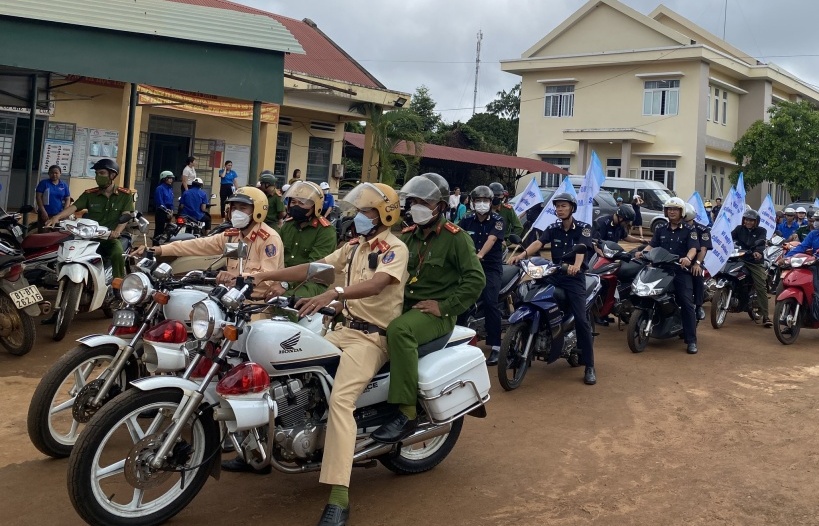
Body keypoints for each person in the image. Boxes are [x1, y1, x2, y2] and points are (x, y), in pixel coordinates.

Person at [253, 183, 406, 526]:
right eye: (360, 212)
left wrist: (333, 293)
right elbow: (312, 269)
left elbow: (377, 284)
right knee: (288, 369)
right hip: (339, 331)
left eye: (367, 212)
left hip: (371, 339)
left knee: (341, 401)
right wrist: (263, 276)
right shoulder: (353, 247)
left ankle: (339, 496)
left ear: (385, 214)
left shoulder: (394, 249)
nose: (360, 218)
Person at [371, 173, 484, 444]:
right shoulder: (407, 238)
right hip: (405, 306)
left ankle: (407, 413)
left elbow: (476, 279)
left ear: (441, 206)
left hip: (435, 314)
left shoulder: (456, 239)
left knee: (399, 331)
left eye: (425, 202)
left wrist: (444, 306)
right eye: (414, 201)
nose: (416, 207)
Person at [509, 192, 597, 384]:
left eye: (563, 206)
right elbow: (539, 242)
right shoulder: (553, 227)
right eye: (557, 206)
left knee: (582, 320)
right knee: (527, 294)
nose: (560, 209)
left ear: (572, 208)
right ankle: (526, 342)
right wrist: (522, 254)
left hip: (574, 278)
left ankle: (590, 366)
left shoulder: (583, 228)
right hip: (555, 274)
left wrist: (575, 265)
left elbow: (582, 247)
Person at [134, 186, 283, 292]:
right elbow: (197, 244)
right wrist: (158, 249)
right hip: (230, 298)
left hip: (257, 304)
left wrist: (236, 276)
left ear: (257, 210)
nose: (237, 212)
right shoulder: (232, 237)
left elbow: (267, 277)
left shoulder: (268, 239)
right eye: (234, 208)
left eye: (243, 208)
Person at [45, 158, 133, 279]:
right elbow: (73, 207)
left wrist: (117, 231)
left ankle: (118, 284)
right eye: (96, 174)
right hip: (88, 237)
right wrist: (57, 217)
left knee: (117, 253)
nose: (98, 176)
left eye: (102, 173)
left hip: (109, 237)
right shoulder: (89, 194)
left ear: (112, 175)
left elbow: (126, 214)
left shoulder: (125, 195)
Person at [635, 197, 699, 354]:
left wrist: (688, 258)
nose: (672, 211)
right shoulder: (661, 229)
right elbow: (652, 245)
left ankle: (691, 340)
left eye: (675, 209)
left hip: (679, 270)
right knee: (644, 291)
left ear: (681, 212)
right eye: (669, 209)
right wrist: (642, 252)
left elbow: (693, 249)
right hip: (660, 268)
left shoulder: (689, 230)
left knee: (686, 302)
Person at [263, 181, 337, 300]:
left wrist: (286, 283)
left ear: (316, 206)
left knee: (286, 301)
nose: (296, 206)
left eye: (302, 203)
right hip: (282, 278)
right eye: (293, 202)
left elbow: (314, 268)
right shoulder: (287, 225)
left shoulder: (326, 231)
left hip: (312, 281)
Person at [458, 185, 506, 365]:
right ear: (472, 202)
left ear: (491, 202)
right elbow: (456, 237)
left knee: (490, 302)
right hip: (469, 267)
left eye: (486, 201)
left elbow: (492, 239)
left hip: (490, 267)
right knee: (461, 301)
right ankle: (459, 341)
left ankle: (495, 346)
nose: (482, 204)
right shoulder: (466, 220)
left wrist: (480, 255)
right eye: (478, 201)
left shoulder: (498, 220)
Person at [731, 209, 771, 327]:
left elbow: (762, 242)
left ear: (756, 222)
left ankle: (766, 316)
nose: (748, 222)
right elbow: (729, 238)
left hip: (754, 261)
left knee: (760, 286)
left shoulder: (761, 231)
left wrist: (758, 252)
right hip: (739, 258)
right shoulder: (739, 229)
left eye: (751, 220)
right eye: (747, 219)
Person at [684, 203, 712, 321]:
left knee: (697, 276)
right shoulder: (674, 227)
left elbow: (703, 248)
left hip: (693, 262)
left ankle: (698, 306)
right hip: (674, 261)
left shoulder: (702, 230)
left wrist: (697, 263)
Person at [152, 171, 175, 244]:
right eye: (169, 178)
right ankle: (155, 245)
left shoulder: (170, 189)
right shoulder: (160, 188)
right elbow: (159, 201)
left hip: (169, 212)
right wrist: (166, 211)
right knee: (159, 230)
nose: (171, 180)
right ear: (164, 179)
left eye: (172, 178)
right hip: (161, 211)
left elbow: (171, 200)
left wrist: (171, 211)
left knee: (167, 230)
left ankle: (163, 245)